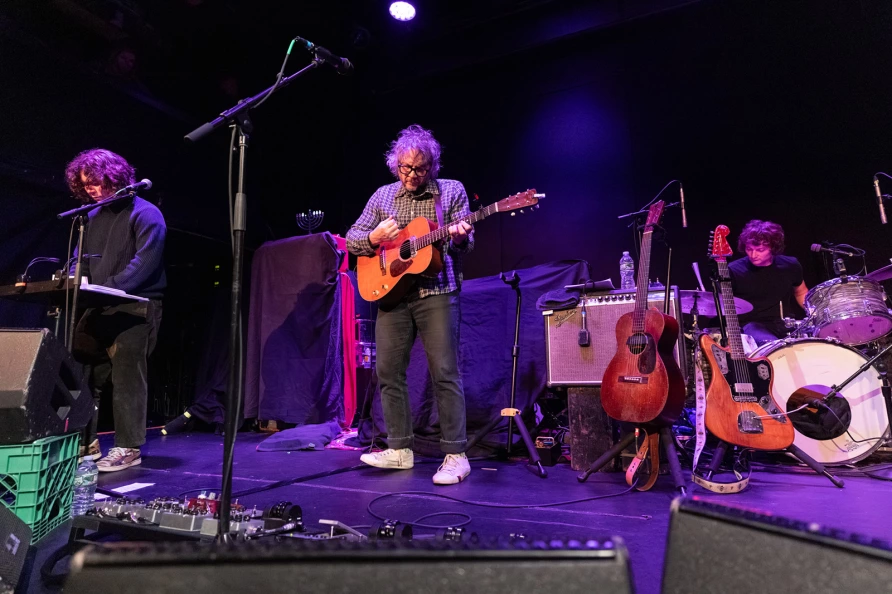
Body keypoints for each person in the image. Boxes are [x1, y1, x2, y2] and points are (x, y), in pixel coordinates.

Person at [346, 125, 474, 485]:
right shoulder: (383, 196)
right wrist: (373, 238)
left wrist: (461, 237)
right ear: (395, 165)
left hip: (438, 292)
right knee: (387, 372)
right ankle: (400, 449)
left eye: (419, 168)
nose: (412, 175)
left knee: (445, 372)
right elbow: (353, 239)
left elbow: (466, 245)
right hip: (391, 295)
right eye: (405, 168)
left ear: (431, 166)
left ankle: (456, 455)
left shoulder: (450, 191)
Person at [65, 149, 166, 472]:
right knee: (80, 371)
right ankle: (85, 441)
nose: (91, 190)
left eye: (95, 182)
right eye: (86, 185)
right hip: (97, 305)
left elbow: (145, 264)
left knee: (126, 376)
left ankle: (128, 446)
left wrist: (107, 287)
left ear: (115, 176)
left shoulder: (146, 213)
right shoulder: (90, 218)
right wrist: (72, 278)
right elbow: (79, 260)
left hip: (134, 308)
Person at [728, 219, 808, 345]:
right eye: (749, 249)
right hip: (751, 325)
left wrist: (815, 315)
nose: (753, 255)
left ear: (773, 247)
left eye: (760, 250)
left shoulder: (790, 265)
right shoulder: (734, 270)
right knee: (774, 346)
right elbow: (724, 304)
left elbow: (800, 292)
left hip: (783, 324)